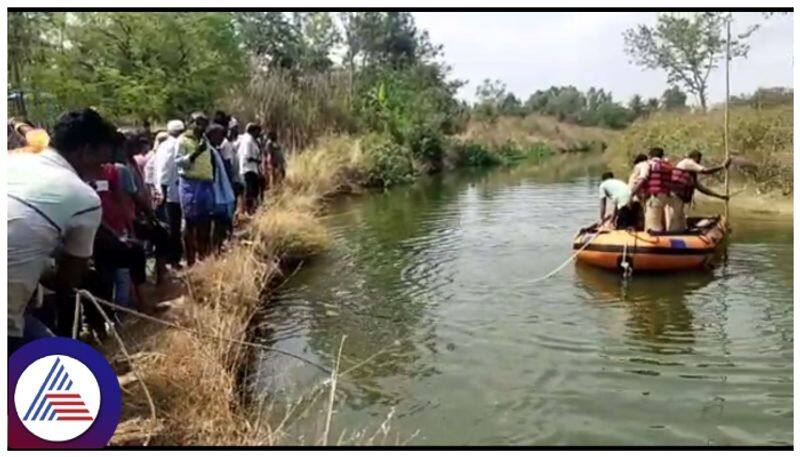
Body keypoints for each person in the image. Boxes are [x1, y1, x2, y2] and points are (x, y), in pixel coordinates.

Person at [8, 108, 116, 352]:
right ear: (85, 150)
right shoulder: (84, 198)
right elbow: (66, 281)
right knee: (57, 371)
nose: (102, 171)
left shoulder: (12, 159)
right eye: (101, 162)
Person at [177, 112, 213, 266]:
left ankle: (203, 256)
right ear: (189, 123)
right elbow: (178, 162)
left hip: (206, 184)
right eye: (198, 123)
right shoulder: (183, 141)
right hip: (190, 185)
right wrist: (195, 153)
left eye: (204, 123)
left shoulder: (205, 140)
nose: (201, 126)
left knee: (205, 222)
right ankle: (190, 260)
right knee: (190, 221)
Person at [667, 150, 731, 231]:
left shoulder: (690, 174)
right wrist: (722, 166)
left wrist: (720, 196)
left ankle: (680, 231)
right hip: (676, 194)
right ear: (696, 157)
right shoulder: (688, 162)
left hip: (680, 196)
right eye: (699, 159)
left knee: (680, 216)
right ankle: (672, 233)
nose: (699, 162)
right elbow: (705, 171)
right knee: (676, 216)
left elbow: (701, 188)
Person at [154, 120, 185, 268]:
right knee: (173, 227)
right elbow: (166, 169)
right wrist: (164, 190)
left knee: (170, 226)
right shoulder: (174, 145)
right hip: (171, 192)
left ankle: (170, 258)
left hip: (165, 191)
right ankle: (173, 259)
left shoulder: (163, 145)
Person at [206, 123, 237, 252]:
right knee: (218, 224)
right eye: (219, 136)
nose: (222, 139)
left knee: (222, 223)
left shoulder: (215, 149)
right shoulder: (209, 150)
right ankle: (215, 250)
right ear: (212, 135)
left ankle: (219, 248)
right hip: (216, 194)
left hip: (220, 193)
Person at [631, 147, 672, 233]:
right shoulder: (667, 165)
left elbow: (643, 179)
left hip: (654, 196)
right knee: (659, 220)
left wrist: (632, 193)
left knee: (652, 224)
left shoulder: (648, 164)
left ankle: (655, 242)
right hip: (665, 196)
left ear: (650, 155)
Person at [237, 122, 262, 215]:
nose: (259, 134)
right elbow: (248, 156)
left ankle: (250, 210)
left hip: (251, 169)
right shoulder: (248, 141)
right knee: (250, 192)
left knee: (251, 191)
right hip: (249, 169)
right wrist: (258, 160)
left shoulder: (249, 139)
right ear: (253, 131)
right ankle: (249, 211)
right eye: (258, 132)